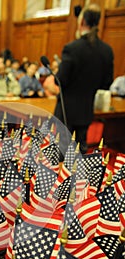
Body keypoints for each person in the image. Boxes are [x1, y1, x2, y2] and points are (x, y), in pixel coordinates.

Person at [54, 3, 114, 154]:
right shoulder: (106, 51)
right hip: (86, 110)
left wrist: (58, 71)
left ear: (81, 22)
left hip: (66, 113)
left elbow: (60, 80)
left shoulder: (72, 48)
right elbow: (106, 83)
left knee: (60, 154)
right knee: (80, 153)